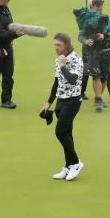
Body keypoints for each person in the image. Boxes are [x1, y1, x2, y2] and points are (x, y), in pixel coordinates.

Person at [41, 32, 85, 181]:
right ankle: (68, 166)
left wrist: (63, 65)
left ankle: (76, 163)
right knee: (68, 134)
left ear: (66, 45)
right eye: (54, 45)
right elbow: (57, 82)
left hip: (73, 101)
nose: (56, 48)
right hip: (61, 101)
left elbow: (73, 79)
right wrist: (49, 102)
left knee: (60, 132)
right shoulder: (59, 59)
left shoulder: (76, 59)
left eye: (58, 45)